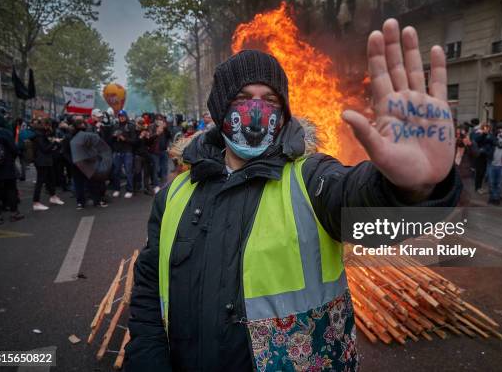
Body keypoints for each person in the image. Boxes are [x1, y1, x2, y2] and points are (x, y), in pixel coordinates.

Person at [125, 20, 461, 371]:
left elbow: (362, 204)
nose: (256, 110)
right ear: (219, 108)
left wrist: (413, 188)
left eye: (269, 100)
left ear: (283, 112)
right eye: (242, 98)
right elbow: (149, 288)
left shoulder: (311, 178)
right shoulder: (175, 195)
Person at [32, 118, 65, 211]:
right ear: (45, 125)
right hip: (42, 161)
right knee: (40, 182)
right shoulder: (39, 135)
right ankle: (36, 202)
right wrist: (55, 142)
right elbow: (45, 149)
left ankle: (53, 197)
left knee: (50, 179)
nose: (50, 127)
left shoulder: (41, 134)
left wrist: (55, 143)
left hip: (46, 160)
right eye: (49, 125)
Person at [111, 110, 136, 198]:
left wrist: (124, 138)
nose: (121, 117)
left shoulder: (131, 126)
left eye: (123, 116)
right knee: (116, 171)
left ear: (126, 116)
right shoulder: (115, 126)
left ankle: (130, 190)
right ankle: (117, 189)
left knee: (128, 171)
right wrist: (114, 136)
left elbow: (134, 141)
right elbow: (110, 139)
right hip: (117, 152)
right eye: (120, 116)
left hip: (127, 152)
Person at [148, 114, 171, 193]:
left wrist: (166, 129)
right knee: (156, 169)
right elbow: (149, 139)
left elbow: (169, 136)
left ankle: (164, 185)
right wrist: (157, 133)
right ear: (155, 120)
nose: (159, 121)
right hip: (154, 152)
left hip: (164, 151)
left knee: (164, 168)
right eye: (158, 119)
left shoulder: (165, 127)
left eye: (161, 119)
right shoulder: (151, 127)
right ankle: (156, 185)